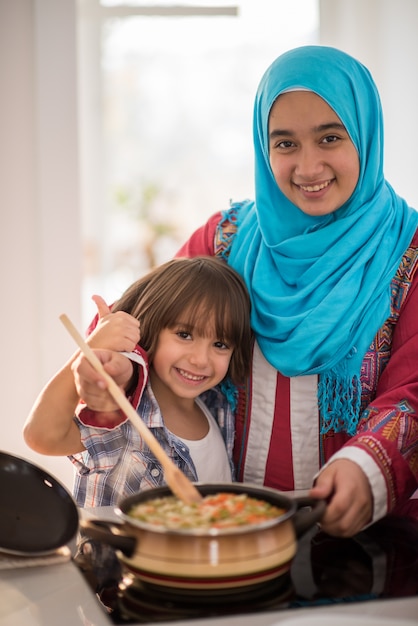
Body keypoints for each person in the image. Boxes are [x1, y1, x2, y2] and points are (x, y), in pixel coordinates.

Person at [71, 45, 418, 538]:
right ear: (262, 146)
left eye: (330, 137)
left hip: (362, 533)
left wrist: (367, 466)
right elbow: (134, 327)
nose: (309, 166)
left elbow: (414, 389)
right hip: (229, 527)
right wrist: (118, 369)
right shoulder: (224, 241)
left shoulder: (410, 252)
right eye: (285, 144)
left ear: (366, 134)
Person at [23, 257, 252, 507]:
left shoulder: (219, 407)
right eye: (184, 335)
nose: (200, 360)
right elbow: (41, 435)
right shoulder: (124, 415)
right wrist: (91, 348)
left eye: (219, 344)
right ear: (151, 328)